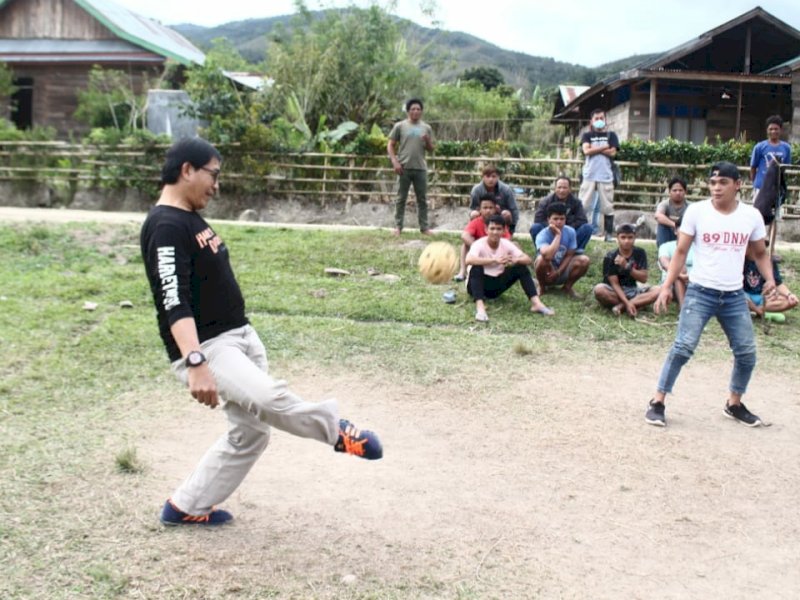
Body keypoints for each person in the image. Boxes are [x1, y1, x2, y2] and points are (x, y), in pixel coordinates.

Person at [140, 138, 383, 527]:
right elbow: (174, 300)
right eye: (213, 175)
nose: (216, 185)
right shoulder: (166, 224)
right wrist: (196, 361)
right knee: (269, 398)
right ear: (187, 170)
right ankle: (336, 430)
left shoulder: (186, 217)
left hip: (239, 338)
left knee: (250, 435)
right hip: (211, 348)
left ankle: (186, 506)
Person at [645, 161, 776, 428]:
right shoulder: (697, 212)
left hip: (733, 295)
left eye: (723, 183)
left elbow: (760, 253)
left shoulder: (751, 216)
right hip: (700, 292)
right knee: (682, 347)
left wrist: (771, 280)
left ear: (737, 185)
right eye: (713, 183)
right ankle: (657, 402)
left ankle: (734, 403)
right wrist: (667, 287)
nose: (716, 188)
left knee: (747, 352)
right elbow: (680, 252)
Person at [466, 214, 553, 322]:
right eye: (492, 228)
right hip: (476, 286)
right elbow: (468, 260)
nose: (495, 232)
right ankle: (480, 308)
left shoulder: (506, 244)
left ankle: (537, 304)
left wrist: (516, 260)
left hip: (495, 287)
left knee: (520, 266)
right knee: (476, 268)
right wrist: (494, 260)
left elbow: (528, 259)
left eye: (499, 229)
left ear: (504, 231)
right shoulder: (479, 244)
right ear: (486, 230)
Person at [387, 98, 434, 235]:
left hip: (420, 168)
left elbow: (431, 149)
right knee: (401, 198)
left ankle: (424, 228)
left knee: (422, 199)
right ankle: (398, 227)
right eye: (413, 109)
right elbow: (390, 144)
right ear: (408, 111)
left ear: (421, 111)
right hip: (403, 167)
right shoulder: (400, 126)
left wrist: (428, 141)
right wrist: (395, 161)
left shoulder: (426, 128)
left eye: (418, 109)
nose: (415, 111)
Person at [594, 223, 661, 316]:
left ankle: (622, 307)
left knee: (659, 290)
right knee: (599, 290)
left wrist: (627, 266)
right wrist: (627, 302)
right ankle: (636, 304)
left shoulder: (640, 253)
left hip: (633, 289)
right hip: (615, 291)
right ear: (617, 238)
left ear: (635, 238)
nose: (626, 241)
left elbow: (643, 278)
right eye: (623, 237)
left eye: (630, 237)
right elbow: (614, 284)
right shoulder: (610, 256)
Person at [578, 108, 620, 241]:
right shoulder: (586, 135)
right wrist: (604, 147)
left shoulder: (611, 135)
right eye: (596, 118)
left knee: (608, 206)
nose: (599, 121)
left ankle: (608, 234)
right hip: (589, 175)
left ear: (605, 119)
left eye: (602, 118)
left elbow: (613, 153)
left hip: (606, 175)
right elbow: (586, 151)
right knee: (583, 204)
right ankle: (580, 231)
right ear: (591, 121)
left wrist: (594, 149)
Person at [533, 202, 591, 298]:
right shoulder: (542, 235)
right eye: (555, 219)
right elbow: (547, 256)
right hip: (547, 269)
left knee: (584, 260)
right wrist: (558, 235)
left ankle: (567, 287)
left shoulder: (570, 232)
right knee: (541, 260)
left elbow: (569, 255)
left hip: (562, 269)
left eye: (562, 219)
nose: (559, 222)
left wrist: (558, 272)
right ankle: (542, 287)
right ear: (548, 220)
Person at [454, 195, 511, 282]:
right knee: (465, 245)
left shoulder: (499, 222)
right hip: (479, 253)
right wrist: (477, 246)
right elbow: (464, 235)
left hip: (497, 253)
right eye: (485, 208)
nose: (488, 210)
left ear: (495, 209)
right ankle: (462, 271)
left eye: (491, 208)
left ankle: (510, 272)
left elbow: (507, 240)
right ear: (479, 210)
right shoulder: (476, 222)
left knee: (515, 245)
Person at [530, 176, 592, 252]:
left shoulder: (576, 202)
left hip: (569, 234)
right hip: (550, 232)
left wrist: (565, 228)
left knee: (587, 228)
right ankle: (542, 251)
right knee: (535, 227)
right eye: (559, 187)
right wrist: (554, 227)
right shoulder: (546, 201)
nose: (561, 190)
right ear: (555, 188)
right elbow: (538, 219)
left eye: (565, 188)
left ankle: (575, 251)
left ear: (570, 189)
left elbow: (582, 220)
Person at [743, 250, 798, 321]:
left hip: (762, 298)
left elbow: (778, 284)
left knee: (788, 301)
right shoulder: (740, 259)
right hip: (744, 296)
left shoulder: (769, 261)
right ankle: (759, 311)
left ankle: (754, 310)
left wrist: (789, 294)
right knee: (735, 298)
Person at [749, 115, 792, 201]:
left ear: (780, 130)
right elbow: (753, 167)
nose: (773, 131)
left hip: (777, 188)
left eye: (776, 129)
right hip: (760, 187)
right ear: (767, 130)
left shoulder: (786, 148)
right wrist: (755, 183)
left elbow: (785, 166)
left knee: (775, 213)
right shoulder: (759, 147)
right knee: (758, 213)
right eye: (771, 129)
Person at [468, 165, 520, 233]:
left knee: (506, 214)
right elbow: (472, 208)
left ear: (498, 177)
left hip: (500, 217)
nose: (491, 179)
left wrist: (512, 226)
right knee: (473, 213)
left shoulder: (506, 190)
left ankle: (507, 232)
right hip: (482, 216)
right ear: (483, 177)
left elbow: (514, 209)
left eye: (493, 176)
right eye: (488, 176)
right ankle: (475, 231)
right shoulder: (476, 190)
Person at [657, 239, 694, 308]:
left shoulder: (699, 247)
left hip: (694, 281)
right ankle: (682, 307)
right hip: (672, 284)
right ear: (675, 231)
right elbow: (665, 263)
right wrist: (681, 276)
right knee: (678, 269)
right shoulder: (666, 246)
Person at [654, 177, 689, 247]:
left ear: (685, 191)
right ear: (669, 191)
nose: (678, 193)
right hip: (668, 235)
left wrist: (681, 229)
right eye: (674, 190)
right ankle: (663, 252)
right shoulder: (664, 204)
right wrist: (676, 226)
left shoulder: (691, 206)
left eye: (680, 190)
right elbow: (658, 216)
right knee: (662, 225)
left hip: (685, 234)